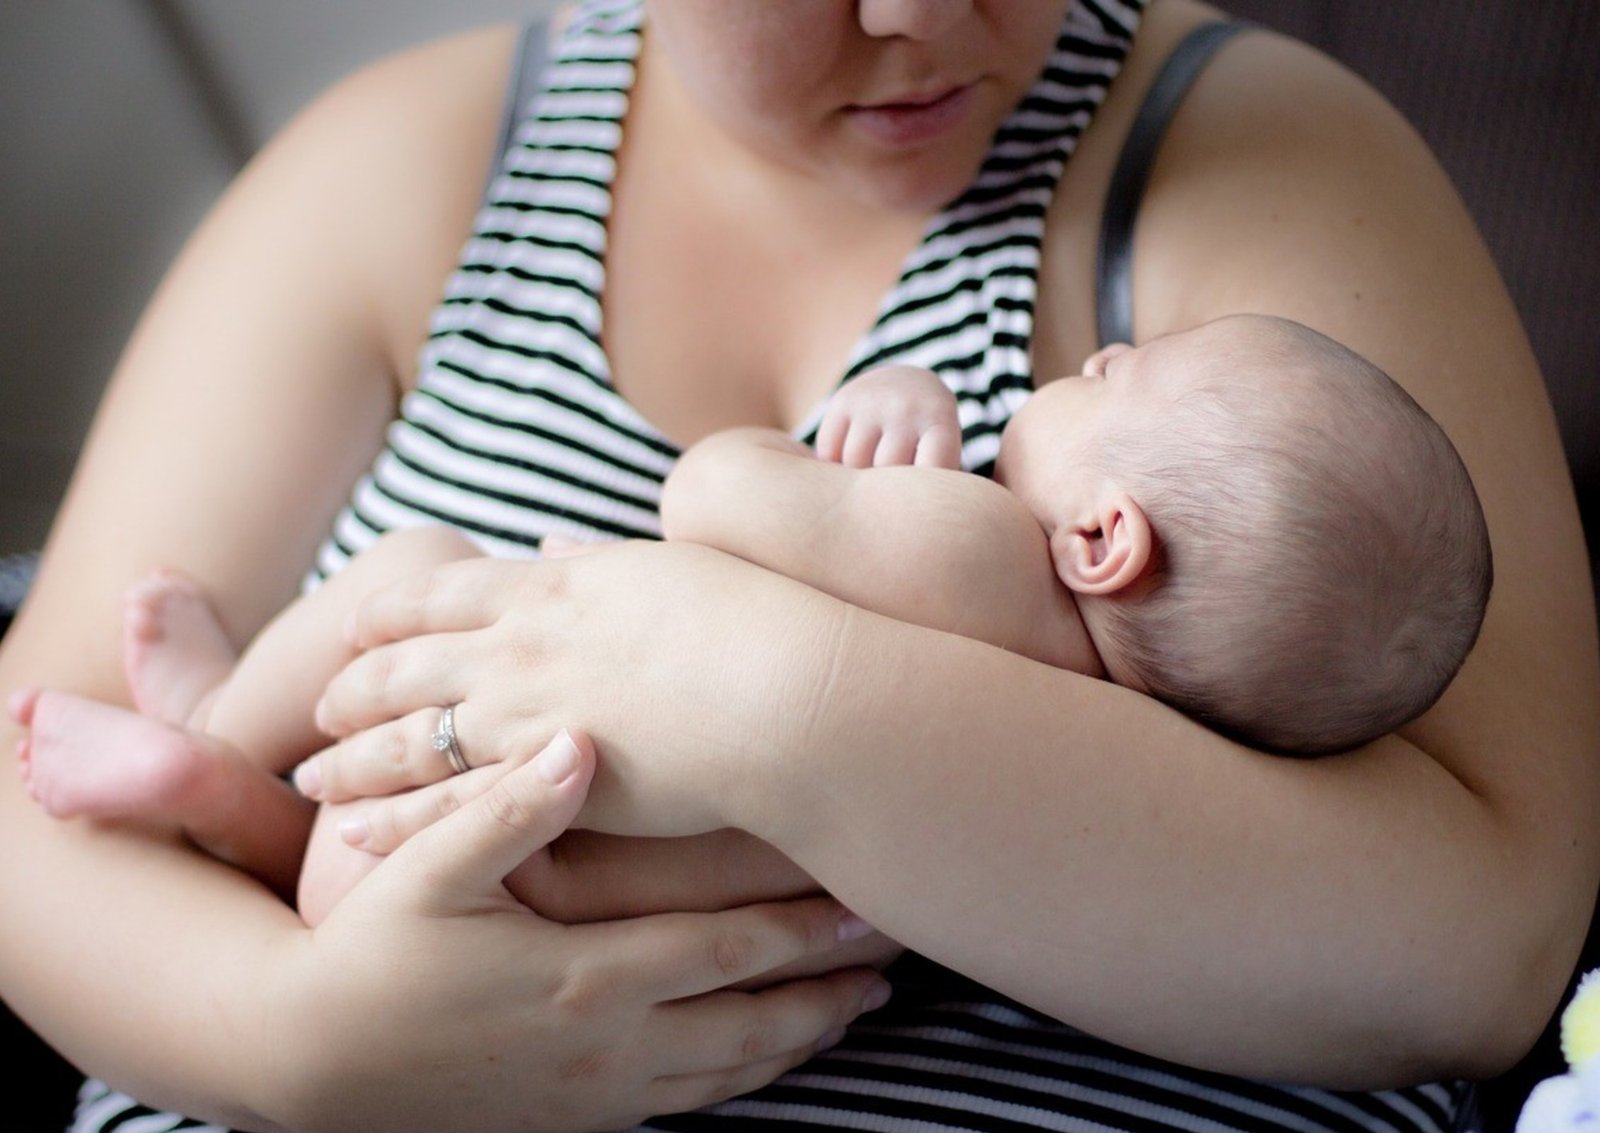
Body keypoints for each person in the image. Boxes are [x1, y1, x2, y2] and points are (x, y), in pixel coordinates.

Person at [0, 1, 1594, 1133]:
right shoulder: (397, 168)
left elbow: (1487, 946)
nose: (914, 12)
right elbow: (23, 808)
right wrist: (303, 1046)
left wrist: (774, 701)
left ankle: (220, 754)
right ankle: (221, 760)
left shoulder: (1256, 180)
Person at [7, 314, 1494, 924]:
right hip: (553, 885)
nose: (1095, 353)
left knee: (407, 569)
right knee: (345, 864)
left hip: (485, 738)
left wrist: (865, 420)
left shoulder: (983, 547)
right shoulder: (1111, 769)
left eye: (1120, 380)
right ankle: (220, 803)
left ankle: (215, 735)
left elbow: (715, 502)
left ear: (1104, 540)